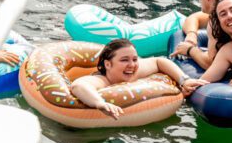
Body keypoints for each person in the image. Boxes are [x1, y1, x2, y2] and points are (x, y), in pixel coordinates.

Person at [71, 38, 204, 118]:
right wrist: (100, 103)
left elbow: (158, 61)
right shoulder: (103, 80)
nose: (132, 65)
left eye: (135, 59)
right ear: (108, 64)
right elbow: (78, 86)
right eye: (124, 60)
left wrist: (184, 80)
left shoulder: (133, 71)